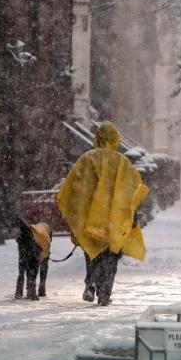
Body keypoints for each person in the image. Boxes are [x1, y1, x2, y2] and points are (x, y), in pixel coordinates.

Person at [56, 121, 149, 306]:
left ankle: (90, 283)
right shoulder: (123, 162)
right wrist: (131, 213)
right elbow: (135, 188)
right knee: (111, 256)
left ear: (97, 138)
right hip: (113, 218)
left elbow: (73, 187)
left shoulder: (87, 159)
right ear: (116, 139)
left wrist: (76, 211)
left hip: (89, 217)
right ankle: (105, 292)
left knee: (92, 253)